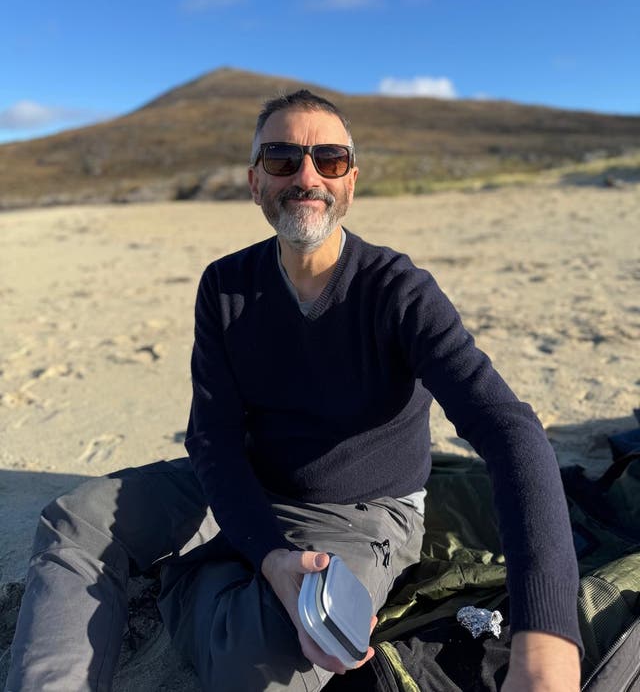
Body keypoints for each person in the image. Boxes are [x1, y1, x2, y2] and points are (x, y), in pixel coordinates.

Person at [6, 90, 582, 692]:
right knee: (76, 520)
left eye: (329, 160)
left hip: (358, 512)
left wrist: (547, 642)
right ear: (255, 182)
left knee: (256, 662)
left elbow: (507, 428)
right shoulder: (226, 285)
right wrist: (269, 553)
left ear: (350, 182)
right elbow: (214, 439)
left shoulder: (399, 292)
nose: (307, 176)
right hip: (240, 484)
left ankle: (195, 580)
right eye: (281, 159)